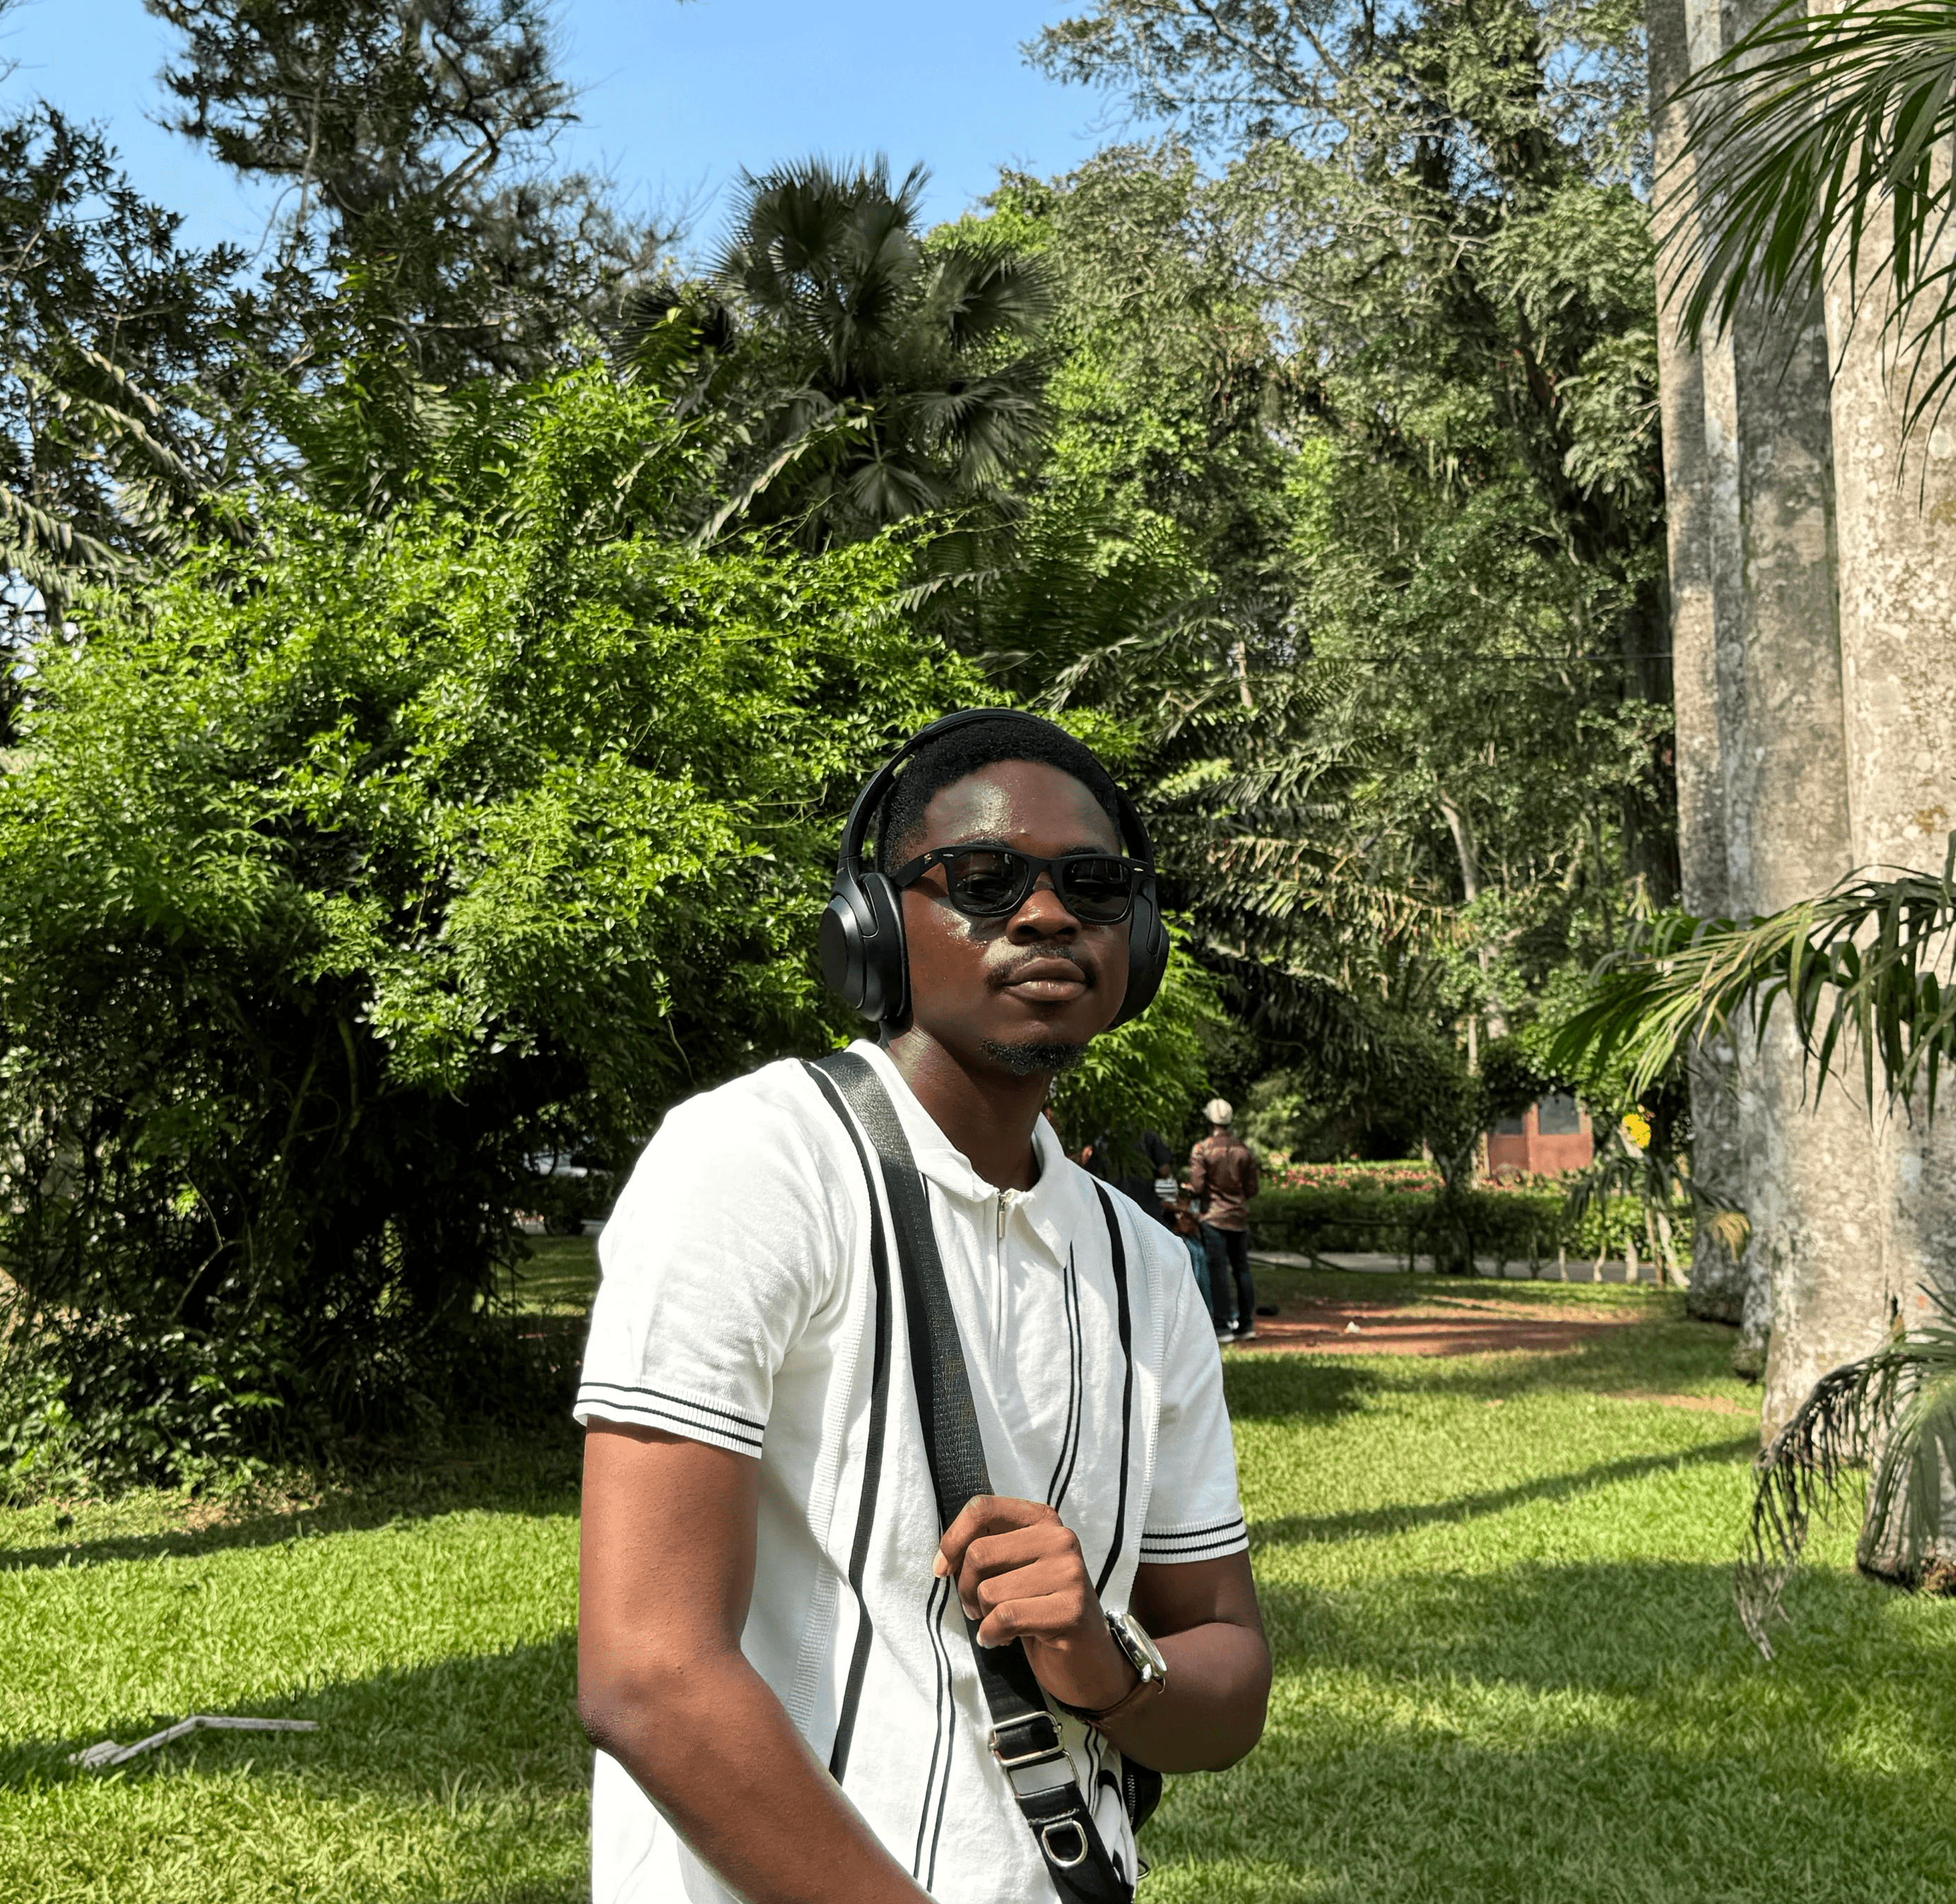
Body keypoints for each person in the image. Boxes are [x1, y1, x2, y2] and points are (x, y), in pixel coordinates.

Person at [575, 710, 1271, 1904]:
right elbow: (647, 1673)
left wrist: (1104, 1666)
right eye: (985, 879)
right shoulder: (754, 1165)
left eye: (1091, 886)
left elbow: (1228, 1681)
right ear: (875, 928)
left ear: (1135, 942)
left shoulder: (1146, 1270)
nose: (1046, 915)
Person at [1189, 1099, 1261, 1343]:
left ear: (1209, 1121)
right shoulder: (1244, 1149)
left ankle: (1222, 1327)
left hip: (1214, 1219)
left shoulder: (1202, 1149)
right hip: (1239, 1219)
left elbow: (1197, 1187)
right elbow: (1252, 1189)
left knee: (1218, 1272)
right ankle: (1247, 1325)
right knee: (1243, 1270)